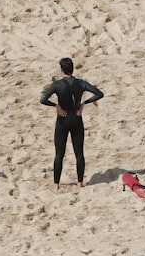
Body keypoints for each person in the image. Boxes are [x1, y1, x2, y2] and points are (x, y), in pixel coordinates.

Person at [40, 58, 104, 191]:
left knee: (59, 153)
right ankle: (80, 182)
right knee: (79, 153)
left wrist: (56, 105)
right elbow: (99, 94)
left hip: (63, 119)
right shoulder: (80, 83)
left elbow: (43, 99)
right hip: (76, 118)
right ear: (72, 69)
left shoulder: (57, 84)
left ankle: (56, 184)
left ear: (61, 69)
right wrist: (83, 104)